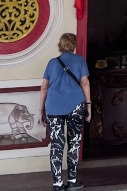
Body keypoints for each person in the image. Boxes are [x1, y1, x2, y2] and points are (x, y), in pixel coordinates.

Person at [40, 33, 91, 191]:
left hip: (54, 107)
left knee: (56, 144)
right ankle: (72, 180)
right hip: (76, 106)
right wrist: (88, 105)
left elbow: (44, 87)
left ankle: (57, 184)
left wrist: (41, 110)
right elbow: (85, 83)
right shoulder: (80, 61)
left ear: (60, 45)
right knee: (74, 143)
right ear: (73, 45)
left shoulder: (52, 63)